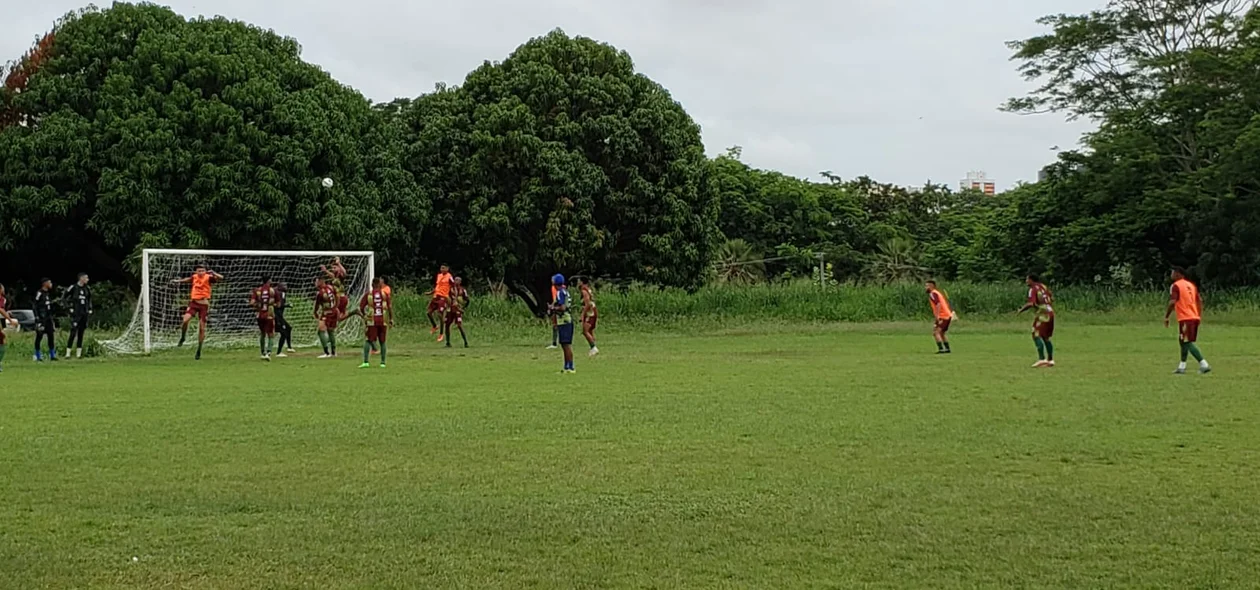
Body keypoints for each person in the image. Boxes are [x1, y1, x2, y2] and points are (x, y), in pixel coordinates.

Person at [1165, 266, 1211, 375]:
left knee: (1187, 342)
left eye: (1172, 273)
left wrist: (1167, 316)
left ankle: (1204, 364)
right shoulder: (1191, 285)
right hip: (1194, 317)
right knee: (1183, 341)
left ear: (1178, 274)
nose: (1171, 275)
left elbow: (1172, 302)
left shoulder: (1176, 286)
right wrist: (1198, 315)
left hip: (1185, 318)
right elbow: (1199, 300)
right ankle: (1182, 366)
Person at [173, 265, 223, 360]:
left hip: (204, 305)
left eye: (203, 270)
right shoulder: (194, 277)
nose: (201, 272)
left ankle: (199, 350)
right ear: (196, 272)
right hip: (194, 303)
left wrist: (214, 273)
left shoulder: (209, 278)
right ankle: (183, 337)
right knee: (185, 320)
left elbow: (221, 278)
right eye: (199, 271)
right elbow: (188, 279)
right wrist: (178, 281)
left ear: (205, 271)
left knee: (202, 328)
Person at [1017, 274, 1056, 368]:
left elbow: (1031, 303)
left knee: (1036, 334)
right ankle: (1050, 360)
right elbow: (1052, 298)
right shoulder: (1043, 286)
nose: (1026, 281)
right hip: (1050, 312)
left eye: (1027, 279)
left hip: (1043, 314)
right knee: (1045, 336)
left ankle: (1041, 359)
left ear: (1031, 280)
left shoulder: (1033, 289)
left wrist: (1021, 310)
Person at [358, 276, 393, 369]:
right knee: (383, 341)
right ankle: (383, 363)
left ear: (372, 285)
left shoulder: (368, 294)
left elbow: (361, 307)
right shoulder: (385, 294)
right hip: (383, 320)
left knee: (368, 340)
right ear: (379, 284)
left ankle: (366, 362)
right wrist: (391, 319)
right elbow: (389, 307)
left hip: (372, 321)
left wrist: (364, 315)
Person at [549, 274, 576, 374]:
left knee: (566, 344)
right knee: (564, 344)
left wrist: (553, 309)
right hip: (566, 320)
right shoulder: (564, 291)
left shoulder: (560, 293)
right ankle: (566, 366)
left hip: (564, 320)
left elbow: (563, 307)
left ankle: (570, 367)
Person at [63, 272, 92, 359]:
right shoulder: (73, 287)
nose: (87, 280)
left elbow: (89, 299)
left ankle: (78, 354)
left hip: (84, 313)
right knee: (73, 332)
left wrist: (89, 309)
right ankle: (68, 353)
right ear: (81, 278)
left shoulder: (87, 288)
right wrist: (69, 308)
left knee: (81, 333)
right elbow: (64, 297)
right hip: (76, 314)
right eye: (86, 278)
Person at [250, 276, 278, 361]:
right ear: (269, 281)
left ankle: (262, 353)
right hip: (269, 314)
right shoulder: (273, 290)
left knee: (262, 333)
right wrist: (272, 304)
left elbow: (252, 303)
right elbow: (278, 303)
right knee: (271, 334)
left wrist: (258, 305)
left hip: (260, 315)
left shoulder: (257, 291)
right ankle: (268, 353)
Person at [926, 280, 954, 354]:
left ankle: (941, 349)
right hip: (947, 315)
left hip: (943, 316)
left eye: (927, 286)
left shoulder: (933, 294)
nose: (925, 287)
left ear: (931, 286)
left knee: (936, 332)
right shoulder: (937, 293)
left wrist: (937, 316)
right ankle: (947, 349)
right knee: (941, 333)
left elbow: (938, 304)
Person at [314, 276, 339, 358]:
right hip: (334, 311)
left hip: (326, 313)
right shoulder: (331, 287)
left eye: (316, 281)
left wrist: (315, 312)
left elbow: (317, 305)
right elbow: (337, 296)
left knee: (320, 331)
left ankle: (326, 353)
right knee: (330, 331)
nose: (315, 283)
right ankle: (334, 352)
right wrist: (335, 307)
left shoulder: (320, 293)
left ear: (321, 281)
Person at [427, 265, 453, 341]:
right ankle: (435, 326)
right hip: (436, 296)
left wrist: (452, 298)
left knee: (440, 314)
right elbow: (437, 286)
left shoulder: (449, 276)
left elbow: (453, 286)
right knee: (428, 312)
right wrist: (431, 292)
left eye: (444, 268)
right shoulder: (439, 275)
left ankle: (441, 333)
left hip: (443, 297)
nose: (442, 269)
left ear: (447, 269)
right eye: (441, 268)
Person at [33, 278, 56, 362]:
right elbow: (35, 305)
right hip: (42, 318)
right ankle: (37, 355)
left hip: (48, 318)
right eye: (49, 282)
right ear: (45, 283)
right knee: (39, 336)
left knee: (51, 336)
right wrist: (37, 317)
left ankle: (52, 355)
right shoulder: (39, 293)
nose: (51, 284)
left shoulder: (48, 294)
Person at [444, 277, 470, 348]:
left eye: (458, 280)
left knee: (459, 325)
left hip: (458, 310)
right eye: (455, 280)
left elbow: (467, 300)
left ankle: (465, 342)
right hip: (450, 309)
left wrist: (463, 308)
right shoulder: (450, 289)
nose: (456, 281)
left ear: (460, 282)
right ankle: (448, 342)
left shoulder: (462, 290)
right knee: (447, 325)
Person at [579, 276, 599, 357]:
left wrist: (582, 314)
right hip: (593, 310)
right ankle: (593, 348)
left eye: (579, 281)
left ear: (582, 282)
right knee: (589, 330)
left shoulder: (584, 290)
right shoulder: (588, 289)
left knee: (585, 331)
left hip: (590, 312)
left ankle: (594, 347)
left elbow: (587, 303)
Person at [274, 282, 294, 357]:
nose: (286, 287)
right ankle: (278, 352)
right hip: (277, 316)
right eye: (284, 286)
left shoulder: (280, 293)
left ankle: (289, 347)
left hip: (279, 316)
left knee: (288, 328)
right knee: (284, 333)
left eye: (286, 285)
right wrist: (287, 305)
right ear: (279, 287)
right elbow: (279, 305)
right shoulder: (280, 293)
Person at [0, 283, 16, 371]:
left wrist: (7, 313)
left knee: (2, 339)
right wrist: (10, 320)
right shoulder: (1, 299)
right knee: (2, 339)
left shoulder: (3, 299)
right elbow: (0, 309)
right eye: (2, 288)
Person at [547, 283, 559, 350]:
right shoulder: (563, 288)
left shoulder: (554, 287)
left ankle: (554, 343)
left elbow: (555, 299)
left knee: (555, 325)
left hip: (557, 308)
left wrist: (551, 307)